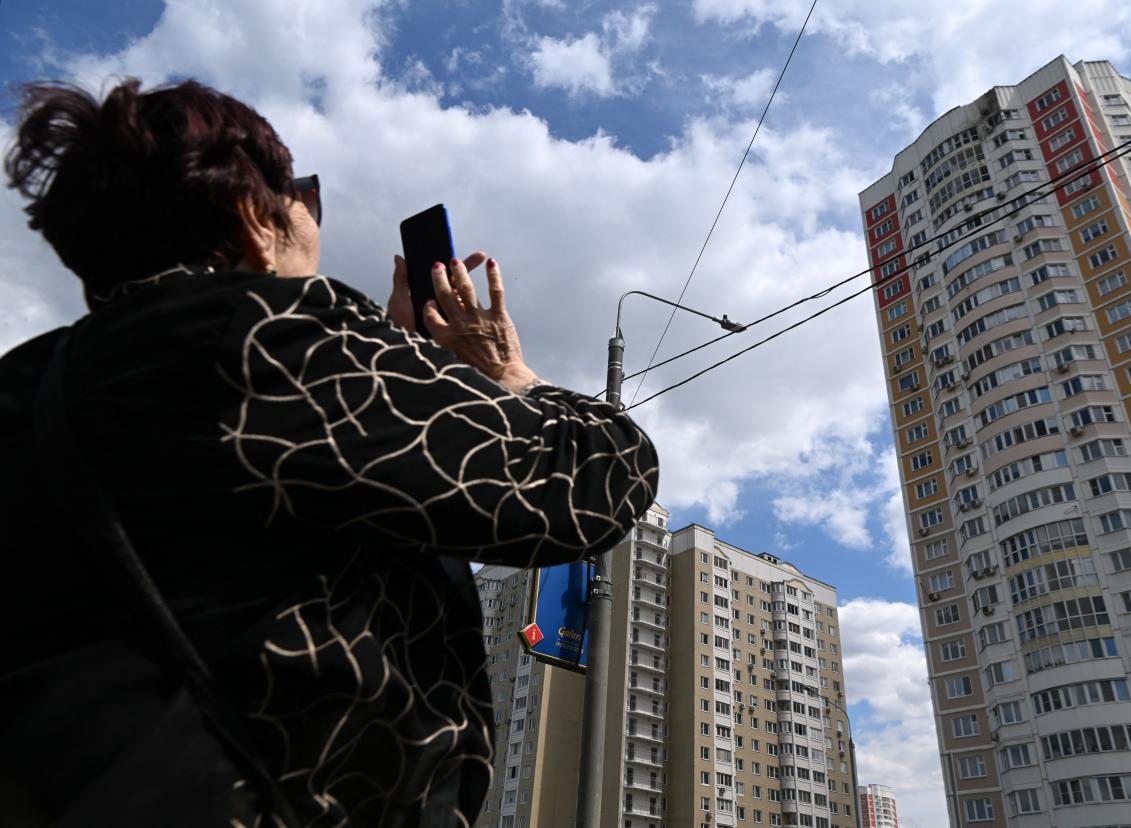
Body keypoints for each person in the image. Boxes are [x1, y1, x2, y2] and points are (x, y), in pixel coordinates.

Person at [0, 77, 658, 826]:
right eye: (304, 194)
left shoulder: (30, 384)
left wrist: (399, 359)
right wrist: (502, 370)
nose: (313, 217)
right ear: (256, 218)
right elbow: (594, 482)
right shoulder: (275, 338)